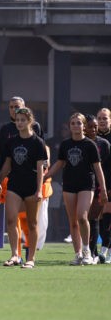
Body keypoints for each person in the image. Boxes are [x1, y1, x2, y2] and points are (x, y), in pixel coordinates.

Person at [45, 112, 108, 265]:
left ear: (83, 126)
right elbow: (59, 164)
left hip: (87, 184)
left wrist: (104, 190)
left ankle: (87, 252)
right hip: (69, 185)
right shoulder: (66, 145)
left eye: (79, 123)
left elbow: (98, 169)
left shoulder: (90, 145)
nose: (76, 126)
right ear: (70, 126)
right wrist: (45, 177)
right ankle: (78, 254)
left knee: (82, 216)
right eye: (73, 123)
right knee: (73, 221)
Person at [0, 107, 47, 269]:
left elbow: (41, 169)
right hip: (14, 185)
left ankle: (31, 258)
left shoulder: (37, 143)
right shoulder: (11, 141)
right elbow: (7, 166)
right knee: (11, 220)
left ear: (30, 121)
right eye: (17, 120)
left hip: (32, 186)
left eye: (23, 120)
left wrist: (39, 190)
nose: (19, 123)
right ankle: (14, 255)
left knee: (32, 223)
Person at [84, 115, 110, 262]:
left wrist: (107, 187)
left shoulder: (104, 144)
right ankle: (85, 251)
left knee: (94, 218)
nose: (93, 129)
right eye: (90, 126)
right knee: (83, 219)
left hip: (100, 186)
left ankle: (93, 254)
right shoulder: (81, 143)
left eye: (95, 126)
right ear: (84, 127)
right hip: (84, 185)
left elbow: (108, 167)